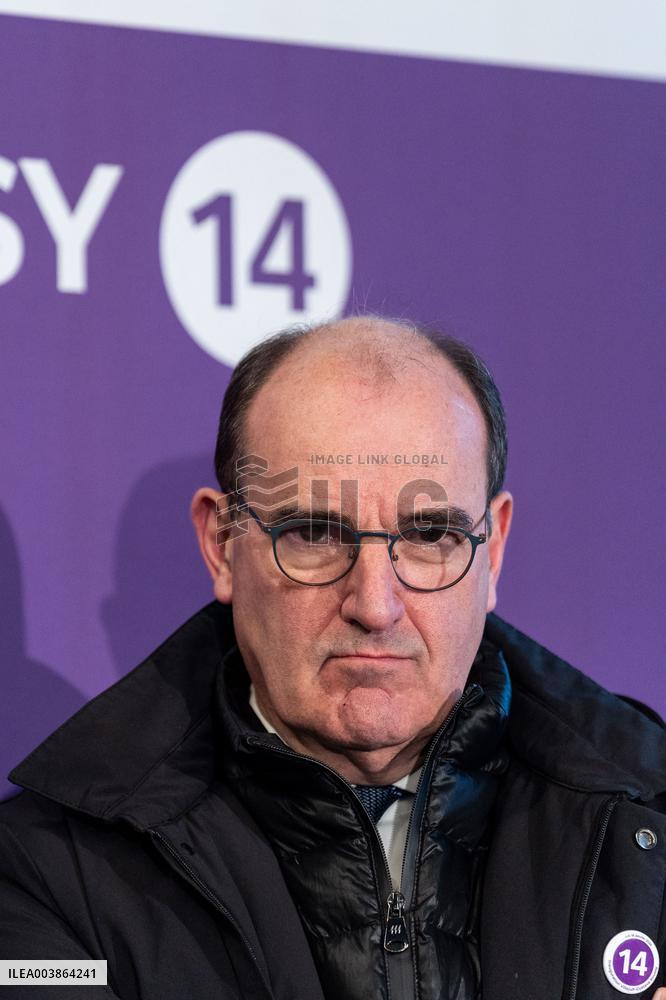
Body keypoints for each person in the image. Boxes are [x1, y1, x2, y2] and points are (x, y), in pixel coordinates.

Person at [1, 316, 665, 1000]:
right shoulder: (43, 873)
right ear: (222, 545)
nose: (375, 605)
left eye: (430, 533)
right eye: (315, 533)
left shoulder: (651, 830)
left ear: (491, 552)